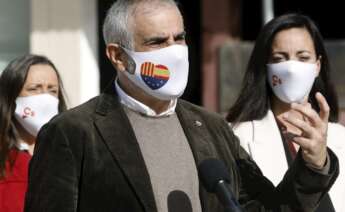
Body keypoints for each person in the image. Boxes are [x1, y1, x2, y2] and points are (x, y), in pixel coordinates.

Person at [24, 1, 338, 212]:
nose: (174, 52)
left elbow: (267, 207)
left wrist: (312, 165)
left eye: (180, 37)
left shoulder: (212, 127)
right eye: (157, 42)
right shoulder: (73, 132)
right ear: (118, 57)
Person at [227, 13, 345, 212]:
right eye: (280, 58)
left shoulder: (340, 136)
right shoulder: (238, 136)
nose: (291, 68)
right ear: (266, 67)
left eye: (303, 57)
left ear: (317, 65)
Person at [0, 54, 67, 212]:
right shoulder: (3, 157)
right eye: (34, 89)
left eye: (52, 90)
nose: (45, 98)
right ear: (11, 96)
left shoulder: (70, 151)